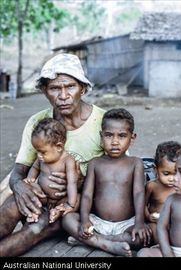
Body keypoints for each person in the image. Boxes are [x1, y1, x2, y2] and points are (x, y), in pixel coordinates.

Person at [0, 53, 105, 257]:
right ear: (44, 91)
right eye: (55, 88)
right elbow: (17, 172)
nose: (63, 95)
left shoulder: (104, 122)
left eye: (70, 87)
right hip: (42, 197)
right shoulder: (38, 122)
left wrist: (79, 182)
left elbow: (121, 177)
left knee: (38, 225)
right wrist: (21, 188)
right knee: (12, 205)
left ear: (82, 88)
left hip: (78, 206)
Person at [62, 108, 151, 256]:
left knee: (147, 234)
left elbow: (138, 193)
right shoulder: (95, 163)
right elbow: (87, 195)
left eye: (122, 136)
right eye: (109, 135)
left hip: (126, 223)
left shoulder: (136, 163)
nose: (115, 142)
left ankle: (92, 240)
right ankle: (109, 245)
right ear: (101, 136)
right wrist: (84, 220)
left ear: (132, 138)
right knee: (67, 219)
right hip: (97, 222)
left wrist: (139, 222)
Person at [23, 118, 79, 224]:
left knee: (78, 199)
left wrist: (70, 204)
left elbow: (72, 183)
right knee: (29, 188)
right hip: (42, 196)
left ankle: (57, 211)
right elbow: (34, 168)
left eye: (43, 152)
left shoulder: (68, 160)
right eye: (37, 151)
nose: (39, 156)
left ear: (59, 146)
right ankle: (34, 212)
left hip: (61, 198)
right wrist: (31, 179)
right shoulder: (41, 159)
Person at [144, 141, 181, 244]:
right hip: (155, 222)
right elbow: (142, 205)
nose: (172, 179)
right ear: (155, 169)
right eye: (166, 174)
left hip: (174, 223)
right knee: (156, 232)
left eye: (176, 173)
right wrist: (148, 216)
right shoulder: (152, 186)